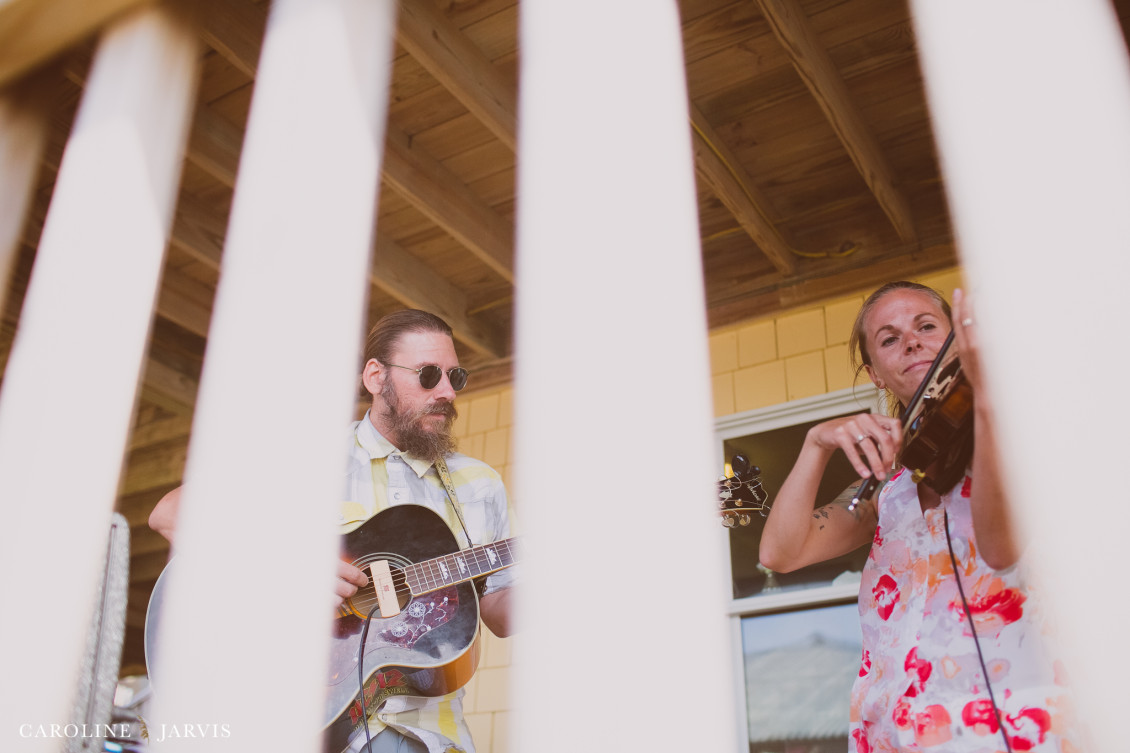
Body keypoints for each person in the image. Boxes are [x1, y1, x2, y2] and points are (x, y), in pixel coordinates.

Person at [149, 309, 516, 753]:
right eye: (428, 375)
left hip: (431, 735)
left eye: (454, 376)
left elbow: (499, 608)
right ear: (376, 376)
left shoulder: (478, 486)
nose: (446, 392)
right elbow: (169, 514)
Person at [758, 282, 1080, 752]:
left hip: (1016, 730)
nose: (911, 341)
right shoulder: (888, 490)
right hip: (896, 735)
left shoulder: (1021, 440)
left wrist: (989, 396)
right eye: (889, 338)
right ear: (875, 374)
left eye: (927, 326)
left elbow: (1000, 548)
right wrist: (816, 443)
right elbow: (780, 553)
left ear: (959, 335)